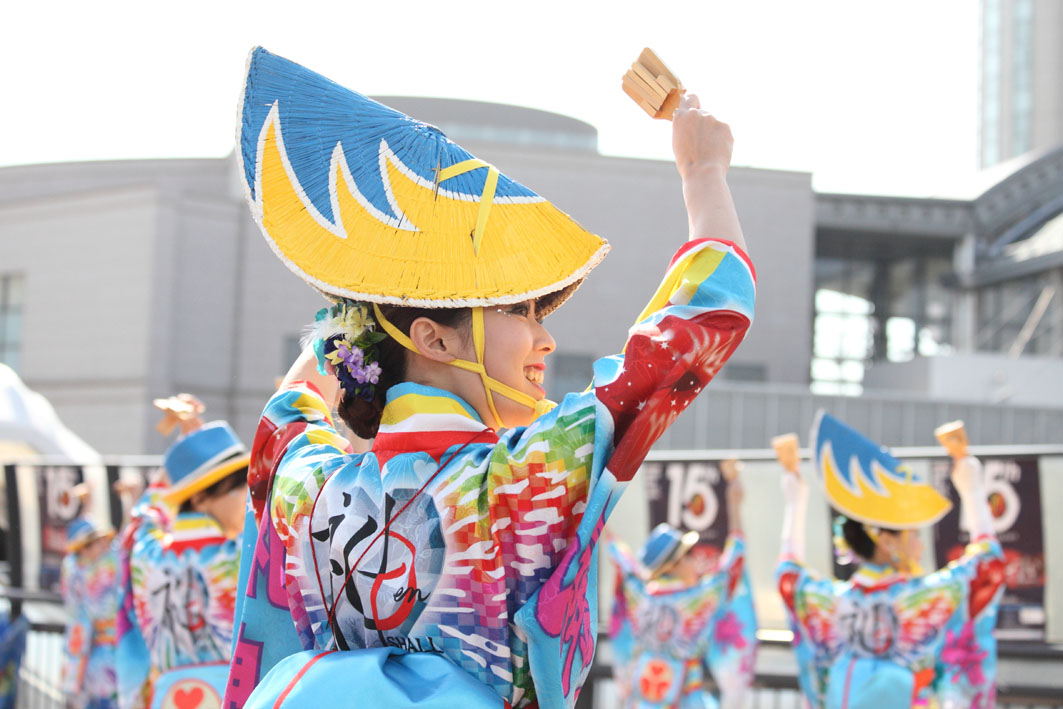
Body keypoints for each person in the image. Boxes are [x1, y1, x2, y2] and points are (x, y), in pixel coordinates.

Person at [225, 47, 756, 709]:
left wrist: (357, 301)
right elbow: (703, 317)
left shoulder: (305, 487)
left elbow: (288, 412)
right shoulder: (514, 478)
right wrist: (703, 173)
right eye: (517, 309)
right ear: (432, 336)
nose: (544, 337)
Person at [775, 413, 1005, 709]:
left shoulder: (830, 605)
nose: (920, 544)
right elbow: (987, 567)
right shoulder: (926, 598)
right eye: (913, 534)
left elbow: (788, 577)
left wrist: (796, 504)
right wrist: (972, 490)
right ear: (886, 540)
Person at [115, 397, 249, 709]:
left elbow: (146, 511)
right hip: (231, 695)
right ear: (200, 497)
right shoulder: (241, 552)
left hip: (166, 696)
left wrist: (188, 447)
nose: (246, 498)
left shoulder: (146, 553)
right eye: (238, 487)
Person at [607, 469, 756, 709]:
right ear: (673, 564)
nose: (694, 559)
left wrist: (599, 509)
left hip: (642, 696)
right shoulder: (696, 598)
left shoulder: (639, 594)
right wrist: (734, 504)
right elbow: (733, 561)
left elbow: (620, 556)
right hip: (685, 697)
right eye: (687, 555)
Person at [60, 516, 118, 709]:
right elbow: (120, 554)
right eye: (96, 543)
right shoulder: (96, 571)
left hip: (80, 649)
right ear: (83, 549)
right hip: (99, 651)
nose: (103, 546)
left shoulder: (71, 568)